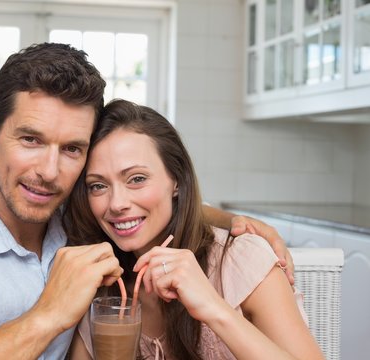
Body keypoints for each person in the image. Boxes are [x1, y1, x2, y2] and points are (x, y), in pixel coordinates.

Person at [0, 43, 292, 360]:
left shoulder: (76, 214)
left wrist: (233, 221)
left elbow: (142, 202)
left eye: (72, 149)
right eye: (30, 139)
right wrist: (46, 317)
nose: (49, 171)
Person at [64, 99, 323, 360]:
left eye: (137, 179)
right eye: (98, 186)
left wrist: (212, 307)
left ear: (176, 180)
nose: (117, 204)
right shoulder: (99, 281)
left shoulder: (239, 260)